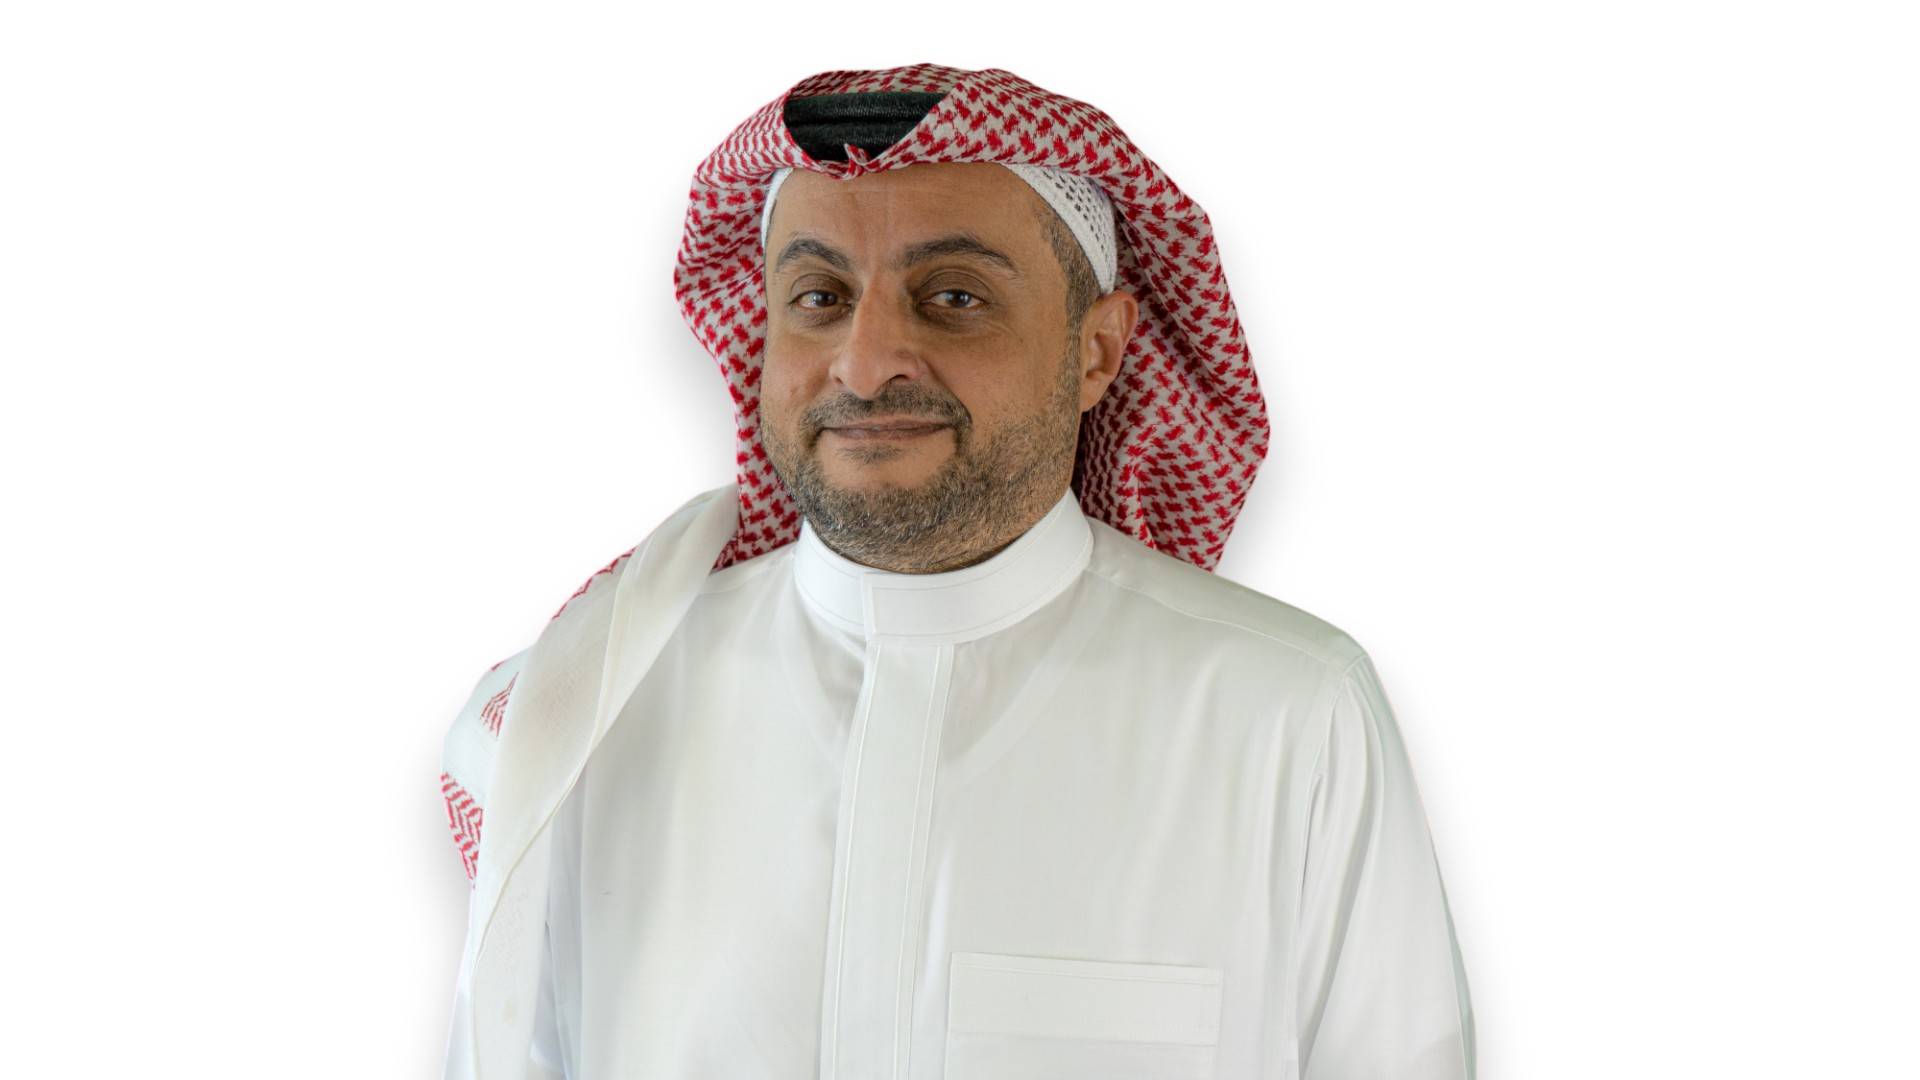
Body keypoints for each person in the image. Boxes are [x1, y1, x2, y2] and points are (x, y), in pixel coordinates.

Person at [437, 62, 1475, 1080]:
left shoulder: (1288, 715)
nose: (864, 362)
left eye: (953, 296)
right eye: (819, 296)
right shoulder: (593, 716)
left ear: (1097, 352)